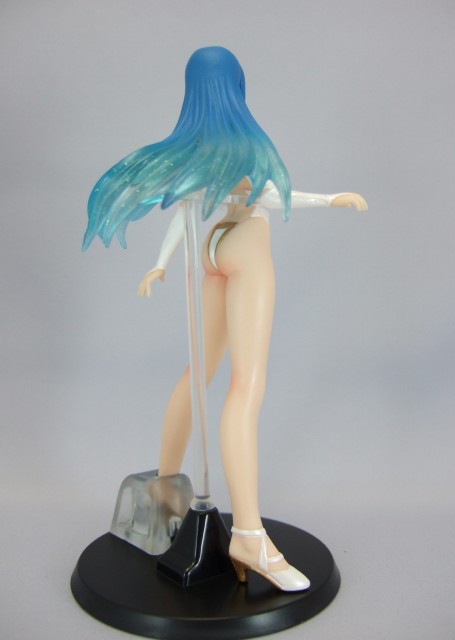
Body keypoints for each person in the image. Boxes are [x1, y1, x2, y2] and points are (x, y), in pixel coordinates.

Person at [84, 46, 367, 592]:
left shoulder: (196, 145)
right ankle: (250, 536)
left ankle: (165, 486)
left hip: (211, 246)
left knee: (198, 372)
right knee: (246, 387)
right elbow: (269, 195)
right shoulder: (246, 140)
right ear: (236, 86)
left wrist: (162, 262)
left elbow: (188, 208)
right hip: (245, 245)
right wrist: (329, 198)